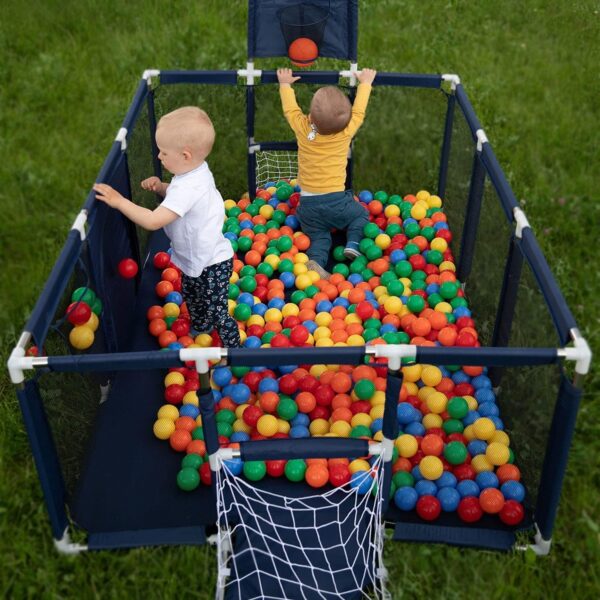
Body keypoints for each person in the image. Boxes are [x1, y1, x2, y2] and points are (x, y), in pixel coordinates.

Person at [93, 106, 241, 348]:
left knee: (218, 312)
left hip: (213, 263)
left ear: (185, 156)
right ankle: (201, 328)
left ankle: (235, 350)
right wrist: (162, 187)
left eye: (163, 153)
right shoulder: (193, 171)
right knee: (193, 297)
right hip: (193, 259)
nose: (159, 157)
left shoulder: (188, 187)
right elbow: (179, 194)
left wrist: (119, 201)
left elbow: (153, 220)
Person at [277, 67, 377, 279]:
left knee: (319, 237)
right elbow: (359, 111)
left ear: (311, 117)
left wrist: (285, 84)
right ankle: (354, 243)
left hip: (308, 207)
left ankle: (316, 260)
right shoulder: (345, 132)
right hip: (337, 203)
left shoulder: (305, 130)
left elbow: (290, 110)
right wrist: (365, 83)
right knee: (361, 214)